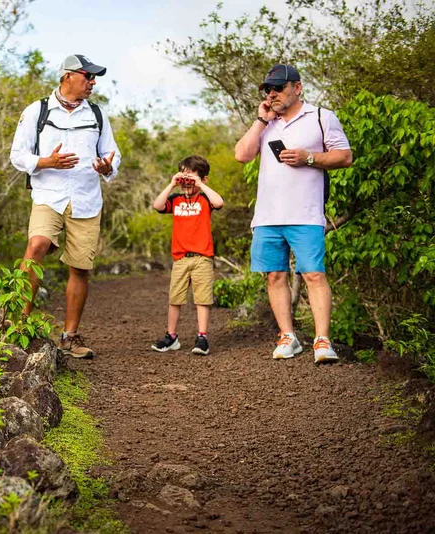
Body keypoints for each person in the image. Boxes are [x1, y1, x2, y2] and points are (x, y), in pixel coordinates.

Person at [234, 64, 353, 364]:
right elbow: (242, 155)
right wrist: (261, 119)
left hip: (305, 214)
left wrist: (308, 157)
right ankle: (288, 337)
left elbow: (344, 156)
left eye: (277, 88)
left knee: (314, 274)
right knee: (274, 275)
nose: (271, 93)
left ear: (296, 88)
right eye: (267, 89)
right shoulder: (267, 123)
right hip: (267, 217)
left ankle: (322, 341)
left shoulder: (321, 117)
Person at [10, 54, 121, 359]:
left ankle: (69, 337)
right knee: (36, 245)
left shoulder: (97, 114)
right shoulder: (38, 110)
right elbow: (17, 155)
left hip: (86, 199)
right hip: (48, 194)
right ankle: (15, 326)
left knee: (80, 267)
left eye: (94, 78)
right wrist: (46, 162)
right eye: (89, 77)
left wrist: (106, 168)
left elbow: (113, 155)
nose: (93, 83)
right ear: (68, 76)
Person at [151, 156, 224, 355]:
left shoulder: (205, 199)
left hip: (202, 258)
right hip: (181, 259)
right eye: (184, 176)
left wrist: (199, 184)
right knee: (175, 298)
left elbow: (219, 202)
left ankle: (202, 337)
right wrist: (172, 184)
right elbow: (157, 205)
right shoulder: (175, 200)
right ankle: (171, 336)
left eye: (190, 177)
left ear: (203, 179)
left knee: (202, 299)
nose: (187, 183)